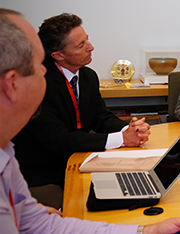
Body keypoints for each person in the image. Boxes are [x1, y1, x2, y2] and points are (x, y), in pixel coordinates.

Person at [0, 9, 180, 234]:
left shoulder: (5, 155)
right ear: (11, 84)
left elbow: (41, 232)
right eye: (38, 65)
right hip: (51, 170)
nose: (45, 70)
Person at [11, 13, 151, 209]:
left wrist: (131, 128)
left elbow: (99, 117)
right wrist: (122, 139)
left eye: (87, 39)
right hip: (44, 174)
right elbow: (59, 139)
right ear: (58, 55)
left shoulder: (87, 76)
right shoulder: (38, 83)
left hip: (82, 161)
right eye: (81, 45)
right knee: (82, 211)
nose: (91, 47)